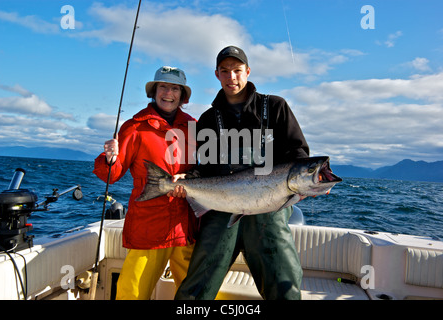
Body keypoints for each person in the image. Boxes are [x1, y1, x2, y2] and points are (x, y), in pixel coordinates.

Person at [173, 46, 309, 300]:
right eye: (225, 71)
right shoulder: (208, 119)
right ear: (217, 74)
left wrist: (303, 185)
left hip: (269, 210)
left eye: (237, 70)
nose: (231, 77)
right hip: (222, 207)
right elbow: (205, 168)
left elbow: (298, 154)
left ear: (247, 71)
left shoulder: (276, 106)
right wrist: (188, 180)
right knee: (197, 286)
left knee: (284, 284)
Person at [93, 66, 198, 300]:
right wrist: (109, 159)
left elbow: (206, 167)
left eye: (174, 88)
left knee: (198, 293)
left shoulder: (195, 127)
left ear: (182, 95)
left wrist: (191, 179)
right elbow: (112, 175)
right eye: (163, 86)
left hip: (185, 225)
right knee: (132, 293)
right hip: (149, 226)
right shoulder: (134, 127)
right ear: (154, 91)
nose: (168, 93)